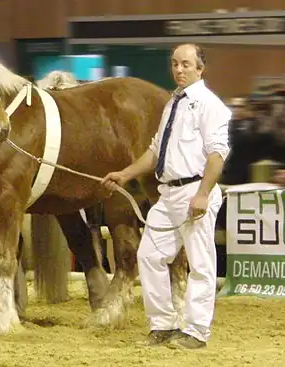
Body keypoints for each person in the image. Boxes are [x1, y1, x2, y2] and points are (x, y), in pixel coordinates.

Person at [102, 44, 230, 350]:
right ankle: (163, 325)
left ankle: (197, 331)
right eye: (175, 63)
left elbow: (217, 155)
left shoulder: (210, 105)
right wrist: (126, 174)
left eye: (186, 64)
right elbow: (155, 150)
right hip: (168, 194)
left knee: (200, 263)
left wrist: (202, 194)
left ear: (201, 68)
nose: (179, 69)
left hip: (195, 190)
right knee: (148, 256)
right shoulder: (173, 102)